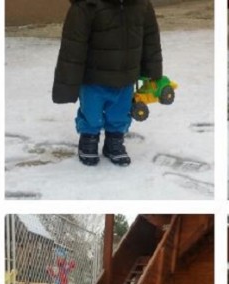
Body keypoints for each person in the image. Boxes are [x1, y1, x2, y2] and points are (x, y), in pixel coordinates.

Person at [52, 0, 163, 167]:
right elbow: (73, 46)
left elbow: (150, 38)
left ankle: (114, 141)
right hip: (93, 77)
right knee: (91, 112)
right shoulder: (87, 5)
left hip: (126, 76)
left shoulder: (141, 5)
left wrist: (152, 71)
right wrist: (68, 81)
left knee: (120, 112)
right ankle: (88, 139)